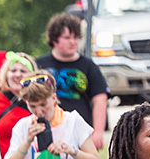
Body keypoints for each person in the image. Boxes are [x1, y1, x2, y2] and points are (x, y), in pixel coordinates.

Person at [36, 13, 108, 150]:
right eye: (67, 37)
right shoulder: (39, 64)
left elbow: (100, 99)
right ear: (54, 39)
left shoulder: (88, 66)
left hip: (78, 130)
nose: (73, 42)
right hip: (46, 128)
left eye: (75, 37)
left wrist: (98, 132)